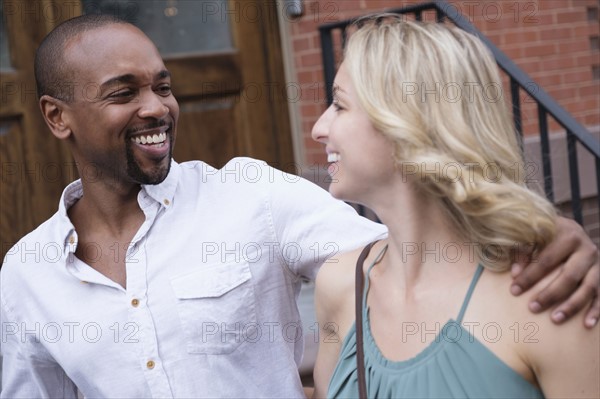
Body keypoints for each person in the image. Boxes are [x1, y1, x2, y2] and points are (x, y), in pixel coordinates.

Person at [0, 14, 597, 398]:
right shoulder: (28, 273)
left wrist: (546, 233)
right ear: (58, 117)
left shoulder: (251, 197)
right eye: (123, 94)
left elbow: (421, 254)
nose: (155, 107)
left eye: (162, 86)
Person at [311, 16, 599, 398]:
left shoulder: (546, 296)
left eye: (339, 105)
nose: (318, 128)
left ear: (407, 125)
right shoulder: (340, 284)